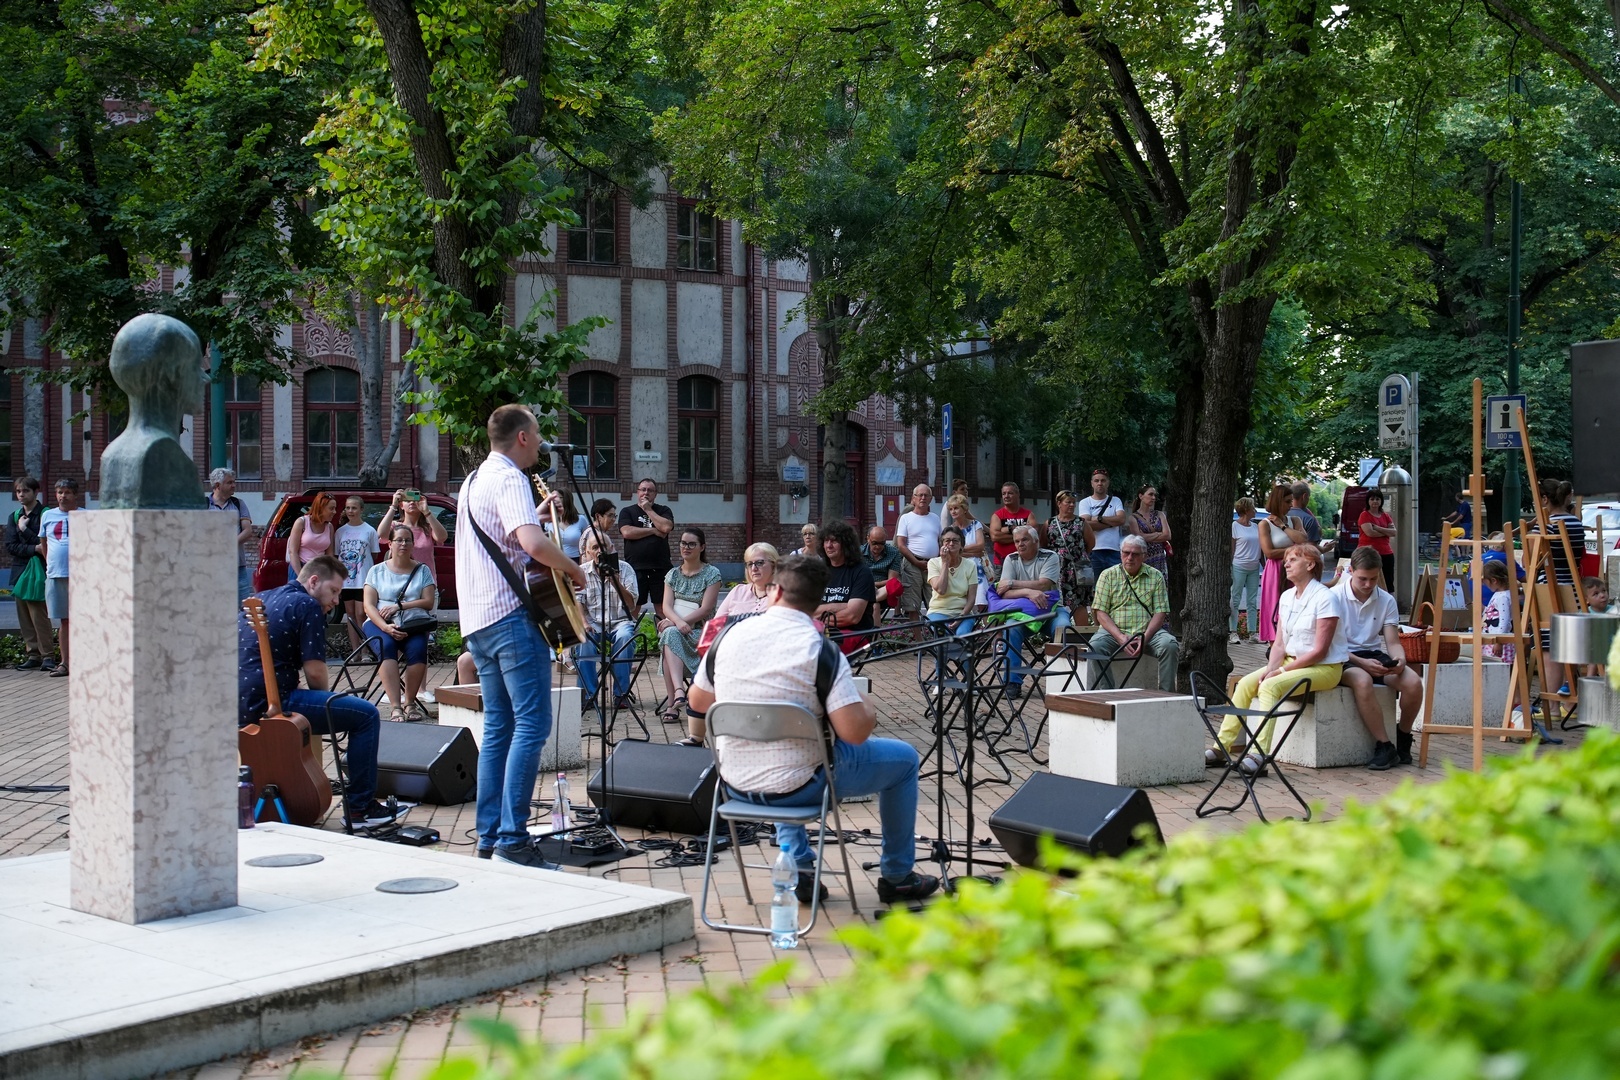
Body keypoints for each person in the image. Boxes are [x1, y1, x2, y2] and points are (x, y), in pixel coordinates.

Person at [687, 553, 940, 905]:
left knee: (788, 752)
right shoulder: (820, 650)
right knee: (905, 760)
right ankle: (897, 876)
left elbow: (698, 703)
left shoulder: (727, 637)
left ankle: (800, 869)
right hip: (801, 786)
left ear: (775, 591)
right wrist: (864, 705)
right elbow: (854, 733)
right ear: (817, 603)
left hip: (734, 783)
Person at [456, 404, 586, 869]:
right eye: (538, 434)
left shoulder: (474, 480)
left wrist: (534, 513)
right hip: (511, 618)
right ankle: (512, 841)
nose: (542, 444)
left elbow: (504, 535)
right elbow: (531, 545)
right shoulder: (511, 478)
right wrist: (574, 569)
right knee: (531, 725)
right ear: (524, 437)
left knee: (499, 728)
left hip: (478, 620)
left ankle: (490, 837)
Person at [237, 555, 398, 825]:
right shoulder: (307, 604)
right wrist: (324, 700)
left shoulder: (263, 597)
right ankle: (360, 808)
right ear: (313, 581)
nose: (336, 600)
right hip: (270, 702)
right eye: (333, 591)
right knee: (366, 715)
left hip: (238, 701)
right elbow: (315, 671)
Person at [1215, 544, 1346, 776]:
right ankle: (1221, 749)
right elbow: (1279, 644)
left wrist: (1280, 673)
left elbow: (1320, 651)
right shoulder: (1287, 596)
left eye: (1293, 559)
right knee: (1245, 684)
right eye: (1287, 560)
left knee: (1269, 686)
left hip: (1324, 667)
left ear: (1310, 564)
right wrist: (1271, 668)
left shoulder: (1326, 598)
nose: (1286, 564)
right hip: (1290, 661)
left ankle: (1259, 754)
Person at [1334, 547, 1420, 770]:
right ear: (1351, 571)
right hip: (1342, 656)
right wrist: (1361, 663)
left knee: (1413, 682)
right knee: (1362, 680)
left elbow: (1393, 642)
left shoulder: (1386, 600)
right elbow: (1332, 645)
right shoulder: (1334, 597)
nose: (1368, 584)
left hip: (1373, 655)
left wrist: (1399, 660)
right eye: (1363, 579)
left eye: (1373, 579)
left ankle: (1403, 736)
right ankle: (1384, 745)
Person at [363, 524, 439, 723]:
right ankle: (396, 706)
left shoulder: (422, 570)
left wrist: (400, 606)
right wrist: (385, 627)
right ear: (390, 543)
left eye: (408, 540)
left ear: (413, 544)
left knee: (418, 649)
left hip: (413, 622)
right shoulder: (376, 571)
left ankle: (410, 703)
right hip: (379, 623)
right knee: (386, 646)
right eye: (399, 540)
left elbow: (428, 602)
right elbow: (368, 606)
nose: (403, 544)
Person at [1087, 534, 1178, 693]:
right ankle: (1106, 693)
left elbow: (1160, 612)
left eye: (1135, 554)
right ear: (1120, 553)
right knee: (1095, 646)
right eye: (1126, 553)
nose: (1130, 558)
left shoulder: (1156, 576)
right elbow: (1100, 612)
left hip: (1147, 631)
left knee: (1169, 645)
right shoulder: (1107, 575)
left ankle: (1166, 694)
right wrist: (1120, 637)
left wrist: (1145, 637)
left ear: (1144, 556)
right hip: (1114, 631)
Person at [993, 525, 1073, 691]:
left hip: (1051, 610)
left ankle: (1063, 681)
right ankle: (1012, 682)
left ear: (1036, 541)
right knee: (1010, 628)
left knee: (1064, 628)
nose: (1020, 544)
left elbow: (1044, 584)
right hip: (1023, 613)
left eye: (1025, 540)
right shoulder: (1011, 559)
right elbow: (1003, 593)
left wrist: (1012, 583)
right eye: (1017, 541)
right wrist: (1028, 592)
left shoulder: (1049, 556)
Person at [658, 527, 724, 725]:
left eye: (691, 544)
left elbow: (706, 609)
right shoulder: (672, 575)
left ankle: (673, 702)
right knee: (670, 634)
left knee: (669, 636)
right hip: (678, 630)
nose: (686, 547)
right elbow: (666, 606)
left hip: (701, 633)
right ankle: (679, 693)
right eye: (683, 543)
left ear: (702, 547)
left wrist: (678, 622)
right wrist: (678, 623)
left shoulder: (712, 574)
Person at [575, 529, 641, 714]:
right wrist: (584, 624)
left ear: (612, 548)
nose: (600, 551)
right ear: (588, 552)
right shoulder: (581, 572)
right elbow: (577, 601)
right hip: (592, 623)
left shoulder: (625, 569)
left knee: (625, 637)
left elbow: (631, 605)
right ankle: (588, 695)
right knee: (584, 639)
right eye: (595, 547)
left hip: (620, 622)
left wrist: (615, 581)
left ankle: (621, 694)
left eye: (603, 546)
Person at [1534, 479, 1585, 696]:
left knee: (1550, 647)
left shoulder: (1545, 525)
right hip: (1572, 587)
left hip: (1549, 586)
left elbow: (1531, 560)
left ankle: (1552, 706)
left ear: (1545, 499)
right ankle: (1566, 701)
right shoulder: (1576, 523)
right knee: (1569, 642)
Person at [6, 477, 54, 671]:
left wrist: (24, 530)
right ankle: (33, 655)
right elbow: (10, 546)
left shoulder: (46, 514)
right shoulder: (14, 516)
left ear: (36, 492)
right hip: (20, 571)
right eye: (18, 491)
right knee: (24, 617)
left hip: (39, 572)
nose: (21, 495)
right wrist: (33, 548)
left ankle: (48, 656)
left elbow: (48, 543)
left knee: (39, 615)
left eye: (25, 491)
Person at [815, 519, 877, 654]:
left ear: (846, 544)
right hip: (822, 631)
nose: (829, 545)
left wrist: (818, 615)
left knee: (814, 647)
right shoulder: (819, 571)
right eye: (826, 541)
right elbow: (807, 610)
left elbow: (852, 616)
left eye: (834, 541)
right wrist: (843, 605)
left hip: (855, 634)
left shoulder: (861, 572)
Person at [1257, 484, 1307, 644]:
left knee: (1297, 606)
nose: (1291, 505)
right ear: (1278, 501)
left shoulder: (1295, 520)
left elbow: (1303, 540)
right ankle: (1274, 645)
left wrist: (1282, 526)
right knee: (1275, 607)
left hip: (1296, 570)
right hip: (1276, 570)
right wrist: (1294, 550)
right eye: (1287, 501)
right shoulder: (1264, 524)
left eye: (1291, 501)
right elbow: (1269, 553)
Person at [39, 478, 78, 678]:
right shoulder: (48, 515)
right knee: (64, 620)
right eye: (60, 492)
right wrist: (51, 564)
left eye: (67, 492)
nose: (63, 496)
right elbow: (44, 543)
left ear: (75, 495)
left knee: (84, 619)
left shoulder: (85, 516)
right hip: (56, 574)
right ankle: (65, 663)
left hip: (81, 577)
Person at [619, 478, 675, 613]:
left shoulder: (663, 510)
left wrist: (648, 510)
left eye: (650, 490)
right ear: (637, 492)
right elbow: (627, 532)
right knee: (633, 607)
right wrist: (654, 530)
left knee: (662, 608)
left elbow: (666, 527)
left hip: (660, 567)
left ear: (655, 494)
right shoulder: (627, 511)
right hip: (635, 568)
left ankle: (662, 628)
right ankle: (632, 628)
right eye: (643, 490)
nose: (646, 493)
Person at [333, 494, 381, 652]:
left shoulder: (369, 530)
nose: (350, 511)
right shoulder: (340, 532)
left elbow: (374, 554)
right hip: (347, 581)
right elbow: (337, 555)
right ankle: (355, 651)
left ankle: (365, 650)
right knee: (350, 614)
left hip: (363, 579)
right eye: (347, 508)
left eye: (354, 508)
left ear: (361, 509)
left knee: (361, 613)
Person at [895, 484, 943, 627]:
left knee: (935, 601)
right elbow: (901, 544)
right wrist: (916, 562)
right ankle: (918, 638)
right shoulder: (906, 518)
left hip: (932, 565)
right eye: (920, 495)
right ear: (914, 498)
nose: (923, 498)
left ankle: (936, 635)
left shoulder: (935, 518)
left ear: (931, 499)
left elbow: (940, 541)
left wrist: (937, 561)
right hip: (912, 564)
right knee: (912, 605)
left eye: (926, 495)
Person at [208, 467, 257, 603]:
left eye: (234, 482)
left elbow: (247, 531)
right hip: (212, 567)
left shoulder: (238, 504)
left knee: (243, 607)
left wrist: (228, 544)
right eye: (229, 482)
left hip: (237, 567)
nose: (234, 485)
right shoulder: (205, 505)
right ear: (218, 485)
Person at [1045, 489, 1090, 627]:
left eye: (1073, 503)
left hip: (1077, 570)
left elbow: (1090, 543)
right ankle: (1058, 631)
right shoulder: (1050, 523)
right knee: (1056, 600)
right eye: (1068, 502)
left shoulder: (1081, 522)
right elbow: (1043, 544)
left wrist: (1078, 558)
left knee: (1079, 602)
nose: (1071, 505)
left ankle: (1083, 634)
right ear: (1059, 503)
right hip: (1057, 568)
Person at [926, 525, 980, 635]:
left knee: (962, 635)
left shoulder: (970, 565)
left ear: (961, 544)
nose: (951, 543)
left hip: (963, 612)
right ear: (942, 544)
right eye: (947, 540)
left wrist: (961, 616)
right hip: (938, 611)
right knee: (944, 633)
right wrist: (945, 562)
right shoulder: (933, 563)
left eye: (955, 540)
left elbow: (971, 598)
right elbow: (941, 590)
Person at [378, 488, 448, 568]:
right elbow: (382, 534)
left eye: (415, 500)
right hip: (400, 574)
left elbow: (442, 537)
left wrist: (426, 512)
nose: (412, 502)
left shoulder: (428, 528)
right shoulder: (395, 526)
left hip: (424, 574)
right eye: (407, 500)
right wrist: (393, 506)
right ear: (401, 505)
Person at [1078, 469, 1128, 577]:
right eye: (1096, 481)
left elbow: (1121, 520)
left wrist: (1099, 519)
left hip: (1114, 551)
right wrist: (1112, 523)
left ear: (1108, 483)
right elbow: (1085, 525)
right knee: (1096, 585)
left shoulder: (1116, 501)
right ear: (1092, 483)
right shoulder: (1085, 502)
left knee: (1115, 584)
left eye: (1103, 480)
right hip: (1094, 551)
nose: (1100, 483)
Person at [1231, 497, 1261, 645]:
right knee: (1235, 599)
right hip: (1239, 566)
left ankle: (1252, 633)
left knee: (1252, 601)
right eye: (1253, 508)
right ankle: (1233, 632)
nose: (1255, 510)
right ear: (1246, 510)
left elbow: (1261, 547)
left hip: (1254, 567)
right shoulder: (1234, 526)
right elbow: (1232, 549)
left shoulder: (1256, 527)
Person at [286, 491, 335, 582]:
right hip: (300, 568)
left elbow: (329, 554)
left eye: (335, 508)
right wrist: (301, 577)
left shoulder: (329, 527)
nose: (334, 512)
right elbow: (293, 552)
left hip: (320, 570)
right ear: (321, 508)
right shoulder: (302, 522)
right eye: (331, 508)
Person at [1356, 489, 1397, 592]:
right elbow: (1370, 533)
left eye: (1377, 499)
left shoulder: (1386, 516)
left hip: (1386, 553)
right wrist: (1386, 532)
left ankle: (1389, 600)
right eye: (1372, 499)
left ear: (1381, 501)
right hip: (1368, 554)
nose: (1375, 501)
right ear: (1368, 501)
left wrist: (1377, 528)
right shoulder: (1364, 515)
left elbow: (1394, 532)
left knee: (1388, 582)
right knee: (1369, 580)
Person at [988, 481, 1035, 567]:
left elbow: (1033, 535)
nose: (1006, 496)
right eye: (1004, 494)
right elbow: (995, 537)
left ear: (1018, 494)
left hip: (1025, 561)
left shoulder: (1028, 514)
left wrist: (1005, 530)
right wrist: (1020, 534)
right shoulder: (997, 515)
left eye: (1010, 493)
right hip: (1002, 561)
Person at [1130, 485, 1172, 577]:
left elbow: (1167, 535)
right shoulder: (1133, 518)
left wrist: (1146, 536)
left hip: (1159, 557)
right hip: (1143, 557)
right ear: (1141, 496)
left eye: (1154, 495)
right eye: (1150, 494)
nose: (1153, 498)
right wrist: (1159, 534)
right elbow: (1138, 538)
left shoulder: (1160, 514)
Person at [1481, 560, 1517, 667]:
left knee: (1498, 667)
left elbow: (1504, 620)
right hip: (1493, 639)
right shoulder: (1499, 594)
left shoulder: (1503, 597)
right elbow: (1494, 612)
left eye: (1485, 582)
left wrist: (1499, 642)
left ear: (1494, 580)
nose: (1484, 585)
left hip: (1499, 641)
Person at [864, 526, 905, 617]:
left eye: (882, 543)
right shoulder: (859, 553)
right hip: (864, 588)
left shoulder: (893, 553)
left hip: (883, 590)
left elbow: (892, 580)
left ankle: (868, 600)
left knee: (895, 584)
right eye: (874, 543)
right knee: (875, 606)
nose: (878, 546)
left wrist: (874, 584)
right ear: (868, 539)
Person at [541, 488, 586, 561]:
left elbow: (586, 542)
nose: (552, 500)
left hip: (576, 560)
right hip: (555, 560)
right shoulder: (548, 521)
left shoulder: (581, 520)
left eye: (555, 497)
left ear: (566, 499)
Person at [1288, 482, 1322, 546]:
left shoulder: (1279, 515)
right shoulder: (1309, 519)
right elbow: (1312, 548)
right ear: (1304, 496)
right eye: (1308, 497)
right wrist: (1324, 549)